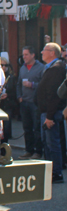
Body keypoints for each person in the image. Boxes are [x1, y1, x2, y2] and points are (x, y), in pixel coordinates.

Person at [36, 42, 65, 183]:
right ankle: (49, 172)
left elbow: (54, 95)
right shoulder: (50, 68)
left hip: (51, 113)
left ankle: (56, 173)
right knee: (47, 144)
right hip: (45, 112)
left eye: (44, 50)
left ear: (52, 52)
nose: (42, 52)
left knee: (52, 144)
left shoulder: (56, 68)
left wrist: (49, 116)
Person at [16, 46, 44, 159]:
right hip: (24, 102)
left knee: (36, 128)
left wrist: (32, 85)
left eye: (26, 55)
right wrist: (19, 97)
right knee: (27, 128)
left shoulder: (41, 68)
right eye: (23, 55)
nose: (24, 57)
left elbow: (43, 85)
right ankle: (29, 150)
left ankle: (38, 151)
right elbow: (18, 84)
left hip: (35, 103)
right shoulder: (22, 68)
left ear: (33, 55)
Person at [0, 55, 18, 143]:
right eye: (2, 65)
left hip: (7, 105)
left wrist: (8, 95)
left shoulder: (11, 77)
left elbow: (15, 92)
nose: (4, 67)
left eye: (6, 65)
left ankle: (5, 149)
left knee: (6, 128)